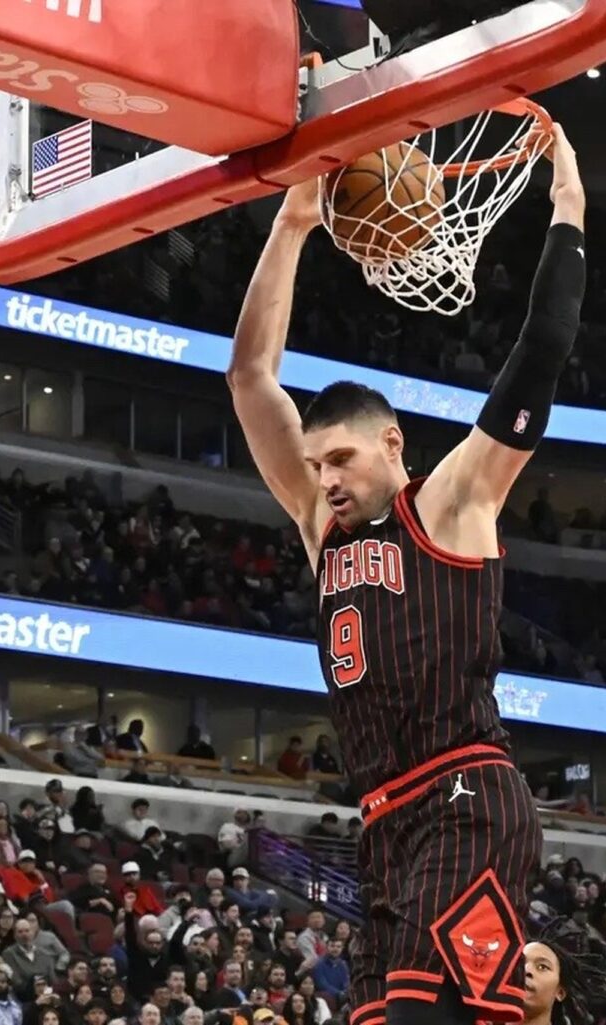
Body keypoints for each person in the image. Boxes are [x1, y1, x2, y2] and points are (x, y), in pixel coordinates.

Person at [226, 125, 587, 1025]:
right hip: (385, 821)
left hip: (467, 794)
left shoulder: (454, 503)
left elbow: (537, 354)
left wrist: (569, 212)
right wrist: (295, 219)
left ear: (393, 443)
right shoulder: (322, 527)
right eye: (314, 466)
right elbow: (248, 376)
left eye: (340, 458)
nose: (326, 480)